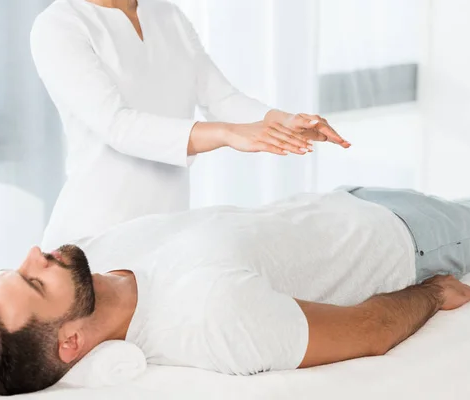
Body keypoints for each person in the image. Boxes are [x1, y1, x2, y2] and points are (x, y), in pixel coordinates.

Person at [0, 132, 470, 395]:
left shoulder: (96, 259)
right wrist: (433, 292)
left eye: (15, 268)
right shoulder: (210, 320)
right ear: (69, 343)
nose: (35, 254)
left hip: (342, 203)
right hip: (410, 241)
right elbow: (366, 333)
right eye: (35, 281)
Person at [30, 0, 351, 250]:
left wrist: (283, 121)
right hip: (93, 236)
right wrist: (227, 133)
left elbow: (221, 98)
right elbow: (117, 126)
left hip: (165, 230)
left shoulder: (166, 14)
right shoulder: (59, 26)